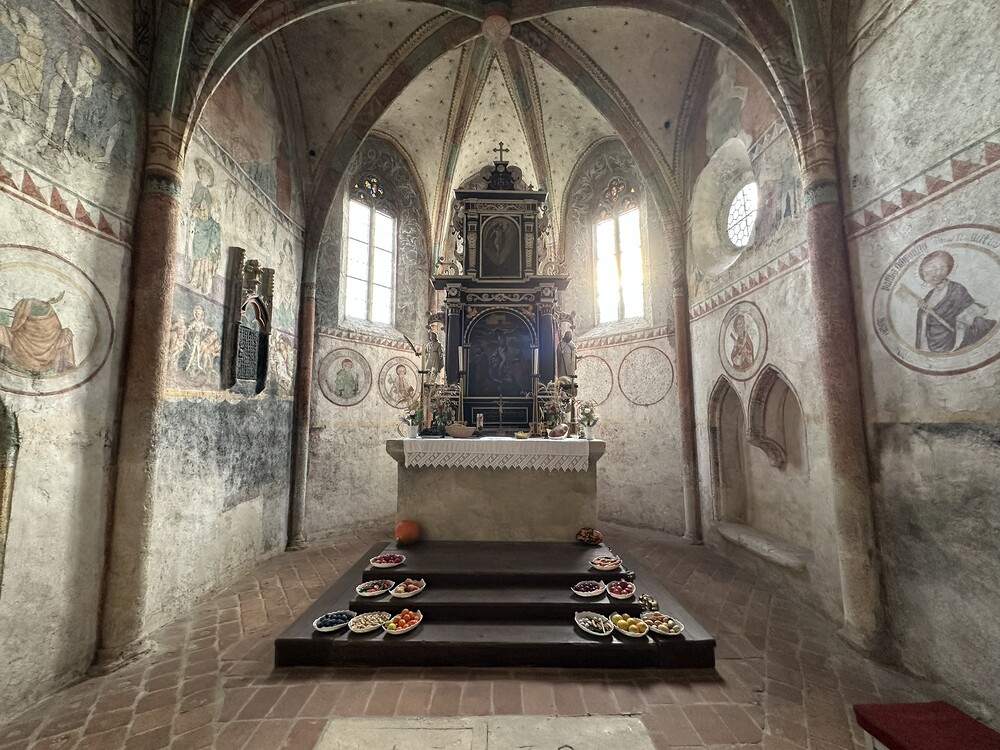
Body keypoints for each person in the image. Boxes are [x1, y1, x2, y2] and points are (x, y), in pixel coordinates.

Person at [915, 250, 995, 352]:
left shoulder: (956, 289)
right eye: (931, 269)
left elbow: (968, 318)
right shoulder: (929, 295)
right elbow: (924, 323)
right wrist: (923, 313)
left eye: (942, 268)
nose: (937, 273)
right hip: (933, 346)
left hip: (953, 342)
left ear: (948, 270)